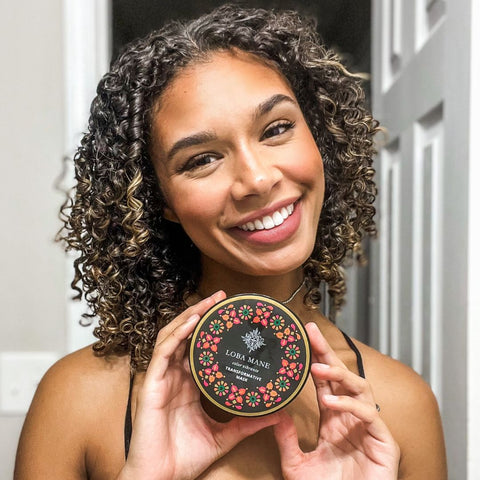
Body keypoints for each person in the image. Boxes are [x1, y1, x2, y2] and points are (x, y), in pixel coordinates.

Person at [14, 4, 447, 479]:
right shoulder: (78, 400)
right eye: (201, 159)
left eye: (277, 129)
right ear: (159, 200)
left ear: (319, 136)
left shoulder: (402, 407)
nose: (257, 179)